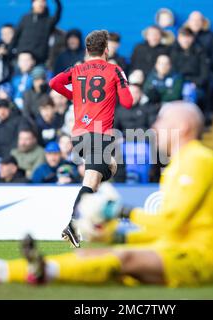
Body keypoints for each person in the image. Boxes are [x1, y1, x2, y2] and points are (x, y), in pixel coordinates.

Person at [0, 101, 213, 288]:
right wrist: (117, 235)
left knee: (119, 259)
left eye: (161, 121)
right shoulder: (179, 163)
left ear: (181, 127)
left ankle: (28, 271)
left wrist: (123, 212)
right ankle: (1, 270)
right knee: (95, 256)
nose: (155, 127)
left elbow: (171, 223)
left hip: (196, 258)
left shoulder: (197, 160)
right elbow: (170, 230)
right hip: (174, 250)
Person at [49, 30, 133, 247]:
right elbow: (128, 102)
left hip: (78, 136)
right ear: (106, 49)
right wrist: (120, 84)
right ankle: (74, 225)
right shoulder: (114, 69)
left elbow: (54, 83)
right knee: (92, 181)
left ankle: (85, 217)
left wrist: (75, 98)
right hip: (99, 135)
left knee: (109, 169)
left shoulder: (77, 69)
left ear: (87, 50)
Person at [170, 27, 209, 117]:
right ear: (178, 38)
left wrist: (196, 83)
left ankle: (190, 118)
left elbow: (205, 73)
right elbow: (171, 71)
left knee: (189, 92)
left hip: (195, 84)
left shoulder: (200, 51)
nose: (185, 40)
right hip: (178, 83)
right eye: (182, 37)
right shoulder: (172, 51)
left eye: (188, 37)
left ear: (192, 38)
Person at [11, 0, 62, 65]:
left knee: (39, 73)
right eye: (38, 1)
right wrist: (10, 53)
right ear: (33, 4)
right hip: (21, 58)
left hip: (38, 61)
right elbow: (16, 36)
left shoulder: (49, 20)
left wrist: (57, 2)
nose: (40, 4)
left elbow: (58, 13)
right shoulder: (25, 18)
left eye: (43, 2)